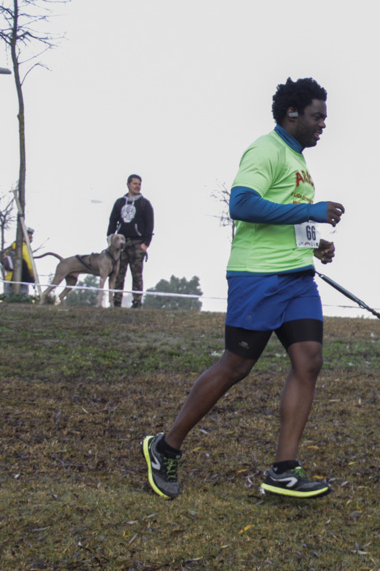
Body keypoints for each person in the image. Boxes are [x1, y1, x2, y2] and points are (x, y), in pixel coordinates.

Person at [143, 77, 345, 500]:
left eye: (325, 117)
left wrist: (315, 243)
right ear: (293, 114)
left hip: (296, 280)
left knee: (309, 361)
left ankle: (283, 470)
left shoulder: (299, 163)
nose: (323, 124)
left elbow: (286, 215)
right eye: (317, 116)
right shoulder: (265, 150)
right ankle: (166, 446)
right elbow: (242, 204)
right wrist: (311, 209)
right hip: (258, 278)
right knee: (236, 367)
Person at [107, 174, 154, 308]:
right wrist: (110, 240)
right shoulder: (119, 202)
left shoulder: (145, 204)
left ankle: (137, 301)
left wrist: (145, 243)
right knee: (118, 273)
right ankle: (116, 301)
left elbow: (150, 225)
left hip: (137, 243)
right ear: (128, 184)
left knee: (137, 274)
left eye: (139, 184)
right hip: (120, 243)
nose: (137, 186)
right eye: (135, 183)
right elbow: (112, 221)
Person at [1, 227, 36, 293]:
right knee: (22, 301)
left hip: (8, 279)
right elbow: (29, 264)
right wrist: (33, 276)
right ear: (23, 237)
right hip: (21, 279)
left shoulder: (11, 247)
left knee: (8, 301)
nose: (31, 240)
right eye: (30, 237)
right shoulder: (23, 247)